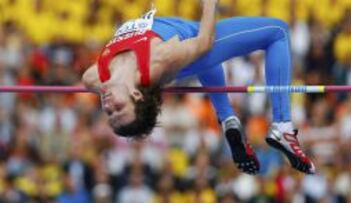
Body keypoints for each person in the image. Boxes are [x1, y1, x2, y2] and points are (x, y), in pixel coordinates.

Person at [82, 0, 315, 175]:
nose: (109, 105)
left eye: (110, 113)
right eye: (119, 108)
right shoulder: (158, 59)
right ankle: (283, 125)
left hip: (181, 41)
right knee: (278, 32)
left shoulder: (94, 78)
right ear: (135, 94)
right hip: (194, 39)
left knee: (200, 60)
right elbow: (204, 43)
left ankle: (227, 119)